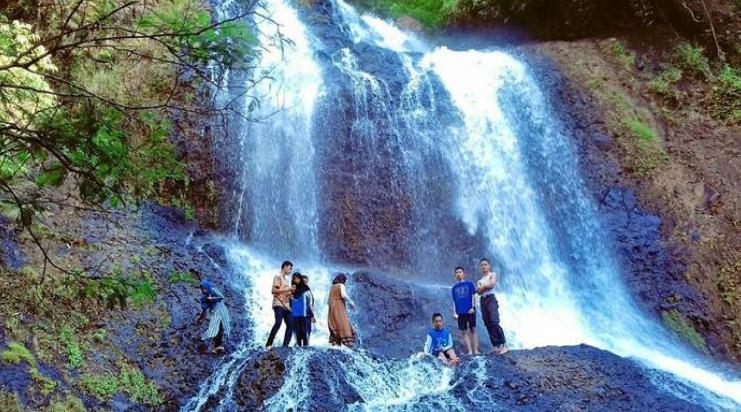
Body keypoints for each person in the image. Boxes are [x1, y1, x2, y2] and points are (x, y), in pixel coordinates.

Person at [476, 258, 509, 355]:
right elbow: (478, 292)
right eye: (482, 265)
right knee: (487, 323)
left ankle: (504, 345)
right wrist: (485, 286)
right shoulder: (480, 280)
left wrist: (483, 287)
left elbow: (492, 285)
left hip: (491, 299)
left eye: (485, 264)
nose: (483, 266)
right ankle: (496, 346)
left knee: (494, 321)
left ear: (489, 266)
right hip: (483, 300)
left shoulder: (492, 274)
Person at [197, 279, 232, 354]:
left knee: (222, 327)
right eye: (202, 289)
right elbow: (204, 309)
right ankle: (213, 345)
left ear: (208, 287)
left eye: (205, 289)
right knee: (215, 329)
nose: (204, 291)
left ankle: (218, 346)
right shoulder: (204, 298)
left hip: (221, 310)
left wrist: (212, 299)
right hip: (214, 312)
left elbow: (222, 297)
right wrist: (200, 318)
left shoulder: (213, 290)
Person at [266, 260, 295, 349]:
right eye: (290, 268)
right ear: (285, 267)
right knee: (278, 322)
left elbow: (285, 292)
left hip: (286, 305)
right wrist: (288, 289)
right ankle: (269, 344)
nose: (290, 271)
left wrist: (291, 294)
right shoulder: (278, 276)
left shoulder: (286, 280)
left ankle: (285, 345)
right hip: (278, 303)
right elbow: (273, 291)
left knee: (291, 324)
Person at [451, 266, 480, 355]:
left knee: (473, 329)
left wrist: (473, 307)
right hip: (460, 312)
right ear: (455, 275)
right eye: (457, 272)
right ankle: (470, 351)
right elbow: (454, 301)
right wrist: (454, 313)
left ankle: (476, 350)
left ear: (463, 274)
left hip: (470, 310)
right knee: (464, 331)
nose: (458, 274)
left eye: (460, 272)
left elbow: (474, 296)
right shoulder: (454, 288)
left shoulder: (469, 284)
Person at [327, 272, 356, 347]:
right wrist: (351, 302)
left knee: (335, 323)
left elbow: (328, 301)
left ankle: (336, 342)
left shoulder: (332, 287)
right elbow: (343, 295)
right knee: (343, 322)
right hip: (339, 305)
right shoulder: (341, 285)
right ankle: (348, 343)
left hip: (332, 306)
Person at [291, 271, 312, 347]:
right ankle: (298, 345)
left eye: (297, 279)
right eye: (294, 279)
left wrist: (312, 315)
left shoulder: (306, 289)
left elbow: (310, 302)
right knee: (297, 331)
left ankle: (306, 346)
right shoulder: (292, 288)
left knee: (305, 330)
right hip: (295, 313)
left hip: (304, 313)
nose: (296, 280)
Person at [302, 274, 316, 341]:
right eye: (304, 282)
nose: (305, 283)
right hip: (304, 314)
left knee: (307, 330)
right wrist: (312, 316)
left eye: (306, 282)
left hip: (307, 314)